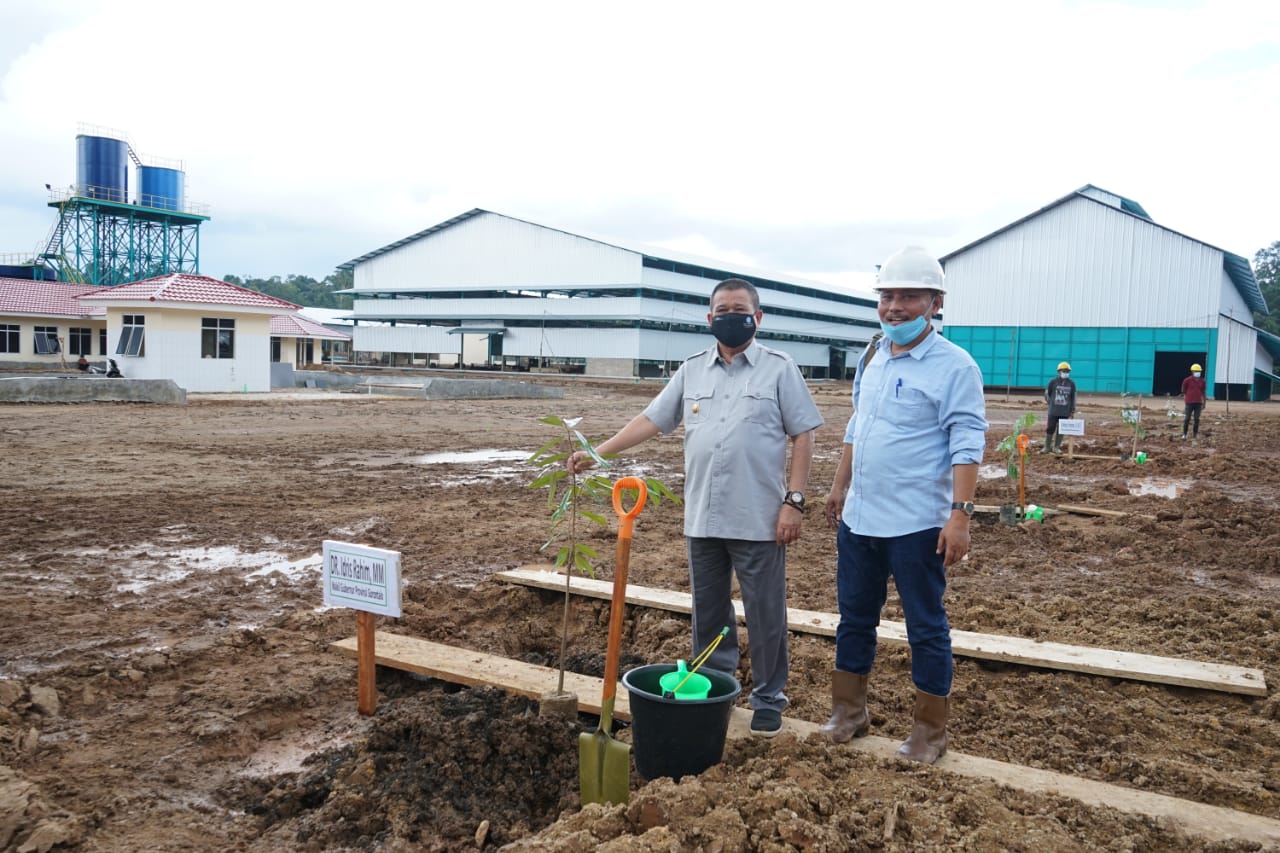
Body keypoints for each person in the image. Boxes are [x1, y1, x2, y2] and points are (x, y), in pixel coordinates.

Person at [569, 277, 823, 737]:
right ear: (709, 319)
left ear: (757, 317)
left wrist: (795, 501)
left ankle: (768, 697)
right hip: (703, 516)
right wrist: (599, 452)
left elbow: (803, 434)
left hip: (760, 517)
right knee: (708, 614)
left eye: (740, 308)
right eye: (722, 309)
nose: (731, 315)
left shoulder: (780, 369)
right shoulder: (691, 371)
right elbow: (652, 419)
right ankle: (716, 685)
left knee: (765, 613)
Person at [821, 246, 987, 764]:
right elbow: (857, 427)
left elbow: (967, 441)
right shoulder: (872, 356)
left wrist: (960, 515)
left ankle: (929, 732)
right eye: (887, 296)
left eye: (909, 297)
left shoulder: (955, 367)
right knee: (854, 618)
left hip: (917, 524)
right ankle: (849, 712)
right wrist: (838, 486)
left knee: (926, 626)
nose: (895, 307)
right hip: (861, 519)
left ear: (934, 303)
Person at [1043, 362, 1076, 453]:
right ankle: (1046, 447)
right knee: (1050, 428)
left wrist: (1072, 410)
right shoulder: (1053, 382)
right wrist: (1051, 403)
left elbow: (1073, 397)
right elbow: (1047, 394)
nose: (1065, 372)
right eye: (1064, 371)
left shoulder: (1071, 384)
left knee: (1061, 429)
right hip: (1053, 411)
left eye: (1067, 371)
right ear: (1059, 371)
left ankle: (1056, 447)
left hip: (1065, 412)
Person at [1181, 363, 1207, 439]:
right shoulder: (1187, 380)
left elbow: (1203, 393)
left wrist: (1204, 403)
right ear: (1192, 371)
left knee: (1197, 419)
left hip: (1198, 403)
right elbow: (1183, 390)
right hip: (1189, 403)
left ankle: (1195, 435)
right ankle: (1184, 434)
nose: (1198, 373)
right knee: (1187, 419)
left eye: (1199, 371)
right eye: (1196, 371)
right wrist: (1188, 397)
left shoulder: (1202, 381)